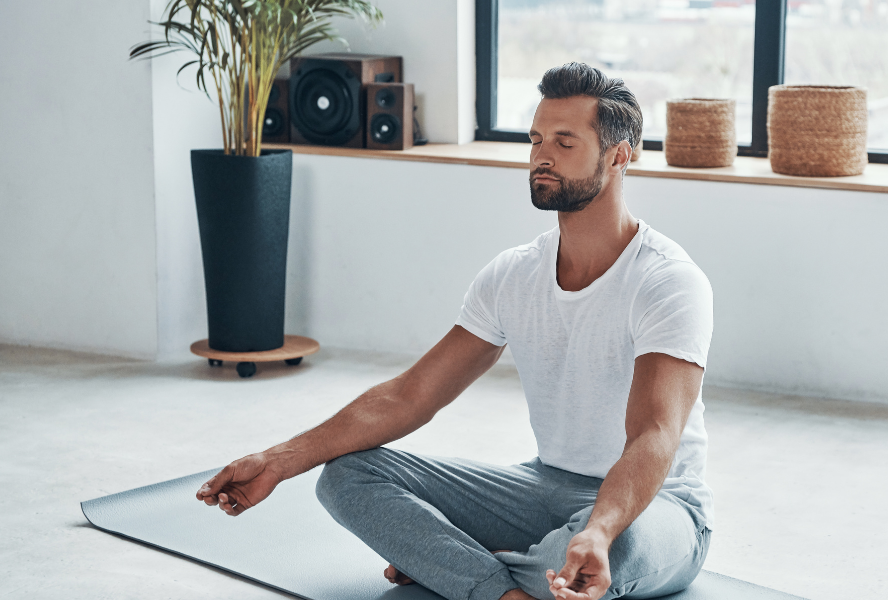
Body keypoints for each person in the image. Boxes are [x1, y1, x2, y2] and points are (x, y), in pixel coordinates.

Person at [194, 62, 715, 600]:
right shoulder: (514, 273)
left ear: (619, 155)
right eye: (536, 139)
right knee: (346, 476)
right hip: (543, 487)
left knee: (613, 552)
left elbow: (655, 433)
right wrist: (277, 463)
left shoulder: (668, 281)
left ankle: (473, 567)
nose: (541, 156)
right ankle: (509, 588)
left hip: (657, 506)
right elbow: (409, 395)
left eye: (564, 142)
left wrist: (599, 530)